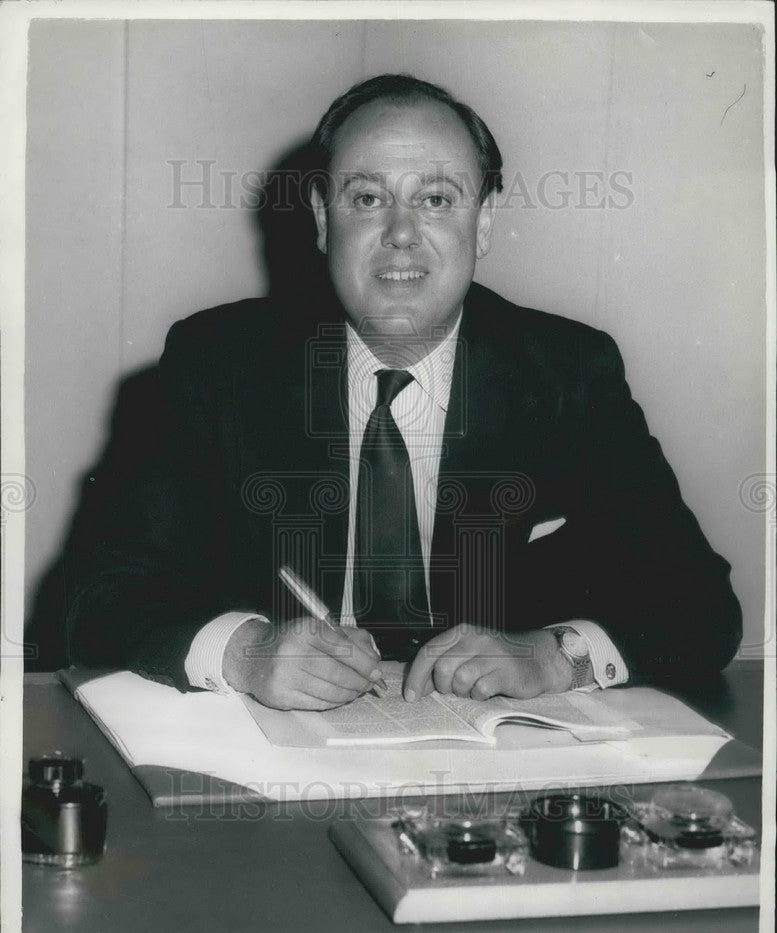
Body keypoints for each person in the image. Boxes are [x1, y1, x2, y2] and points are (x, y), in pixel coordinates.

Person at [67, 74, 742, 710]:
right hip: (277, 753)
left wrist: (555, 655)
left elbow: (700, 604)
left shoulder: (567, 373)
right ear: (322, 220)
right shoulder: (218, 365)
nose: (399, 234)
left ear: (481, 223)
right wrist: (246, 653)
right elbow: (98, 593)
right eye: (366, 199)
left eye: (436, 199)